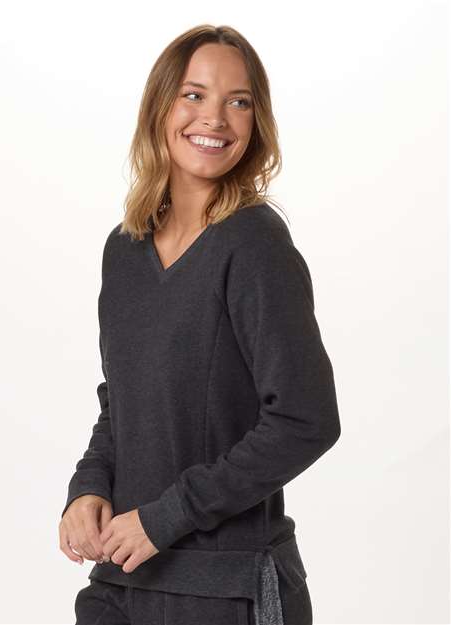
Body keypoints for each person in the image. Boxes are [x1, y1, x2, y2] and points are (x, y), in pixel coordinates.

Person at [59, 23, 341, 625]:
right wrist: (88, 487)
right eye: (194, 95)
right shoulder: (124, 250)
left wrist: (166, 517)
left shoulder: (255, 243)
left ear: (256, 123)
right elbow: (124, 401)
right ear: (160, 107)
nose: (214, 117)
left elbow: (305, 419)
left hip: (226, 590)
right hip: (121, 580)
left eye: (239, 101)